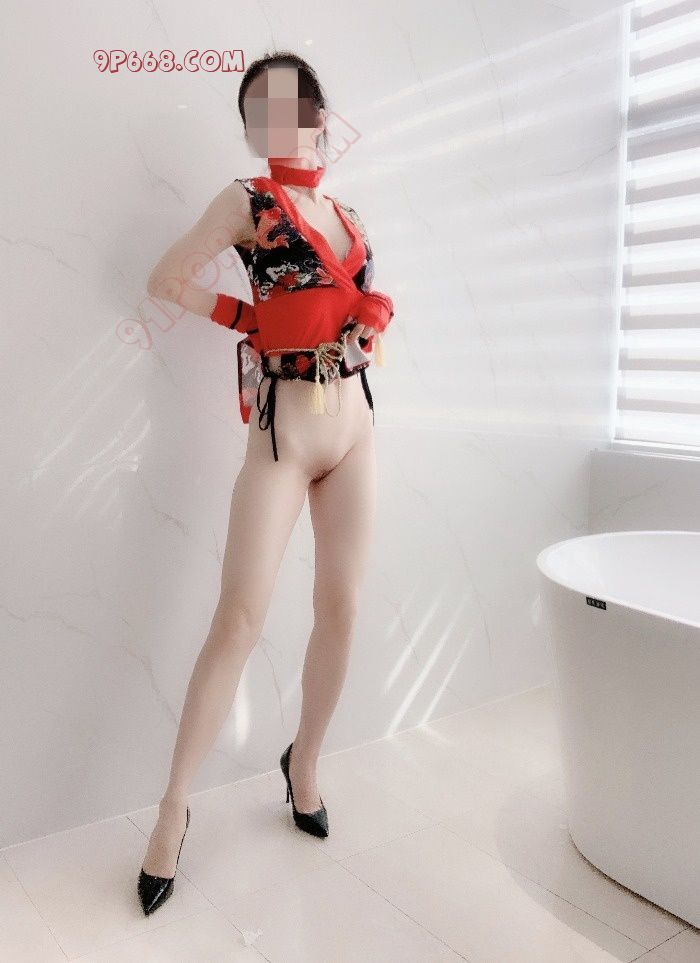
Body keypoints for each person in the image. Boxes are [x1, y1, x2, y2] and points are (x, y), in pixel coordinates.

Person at [136, 50, 394, 916]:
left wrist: (368, 322)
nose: (274, 120)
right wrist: (253, 320)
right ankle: (173, 809)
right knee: (240, 616)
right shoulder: (248, 200)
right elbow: (166, 279)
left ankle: (304, 762)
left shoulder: (349, 213)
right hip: (282, 429)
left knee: (342, 606)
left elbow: (352, 306)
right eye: (258, 109)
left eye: (288, 104)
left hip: (353, 423)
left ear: (317, 113)